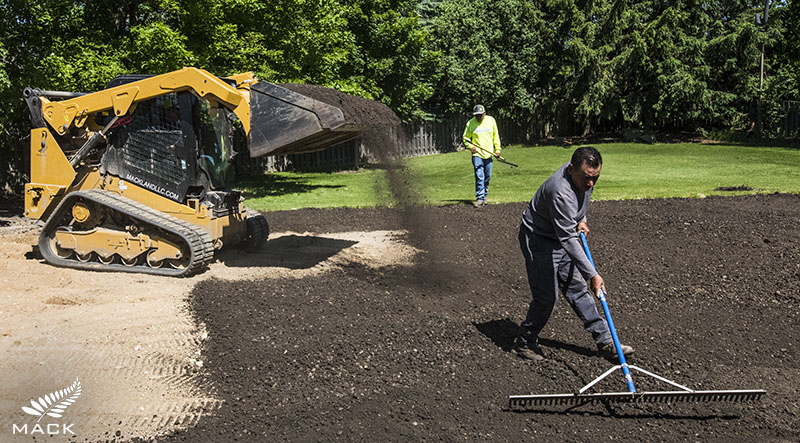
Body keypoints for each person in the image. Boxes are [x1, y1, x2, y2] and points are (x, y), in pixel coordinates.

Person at [514, 146, 634, 361]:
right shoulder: (560, 191)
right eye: (587, 178)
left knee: (577, 289)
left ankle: (607, 341)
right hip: (538, 239)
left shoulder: (584, 177)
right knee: (546, 298)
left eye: (595, 178)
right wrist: (593, 274)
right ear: (571, 168)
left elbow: (582, 201)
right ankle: (524, 341)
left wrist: (582, 219)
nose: (591, 184)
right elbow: (568, 239)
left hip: (559, 235)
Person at [462, 104, 501, 207]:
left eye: (480, 115)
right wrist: (471, 147)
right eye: (476, 115)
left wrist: (497, 150)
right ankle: (480, 198)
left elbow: (495, 136)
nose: (478, 117)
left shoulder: (491, 121)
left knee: (487, 176)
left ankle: (484, 196)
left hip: (489, 153)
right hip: (477, 154)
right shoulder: (470, 123)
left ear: (485, 113)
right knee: (480, 176)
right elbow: (465, 138)